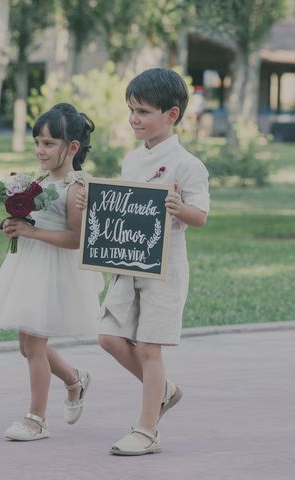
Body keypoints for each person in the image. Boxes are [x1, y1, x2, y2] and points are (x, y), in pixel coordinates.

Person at [76, 68, 210, 455]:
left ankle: (146, 429)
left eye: (143, 112)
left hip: (164, 270)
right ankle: (163, 390)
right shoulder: (132, 161)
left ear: (171, 115)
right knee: (109, 337)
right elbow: (119, 211)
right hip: (127, 266)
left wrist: (179, 207)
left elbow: (200, 217)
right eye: (131, 110)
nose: (134, 118)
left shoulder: (188, 165)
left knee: (150, 348)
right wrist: (92, 204)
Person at [0, 103, 103, 441]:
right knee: (27, 345)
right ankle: (75, 380)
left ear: (72, 147)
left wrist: (31, 232)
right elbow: (35, 220)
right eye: (37, 142)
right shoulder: (40, 180)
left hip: (54, 269)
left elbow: (77, 239)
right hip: (28, 264)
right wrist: (16, 224)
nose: (39, 150)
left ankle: (36, 419)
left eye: (48, 143)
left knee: (34, 346)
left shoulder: (76, 187)